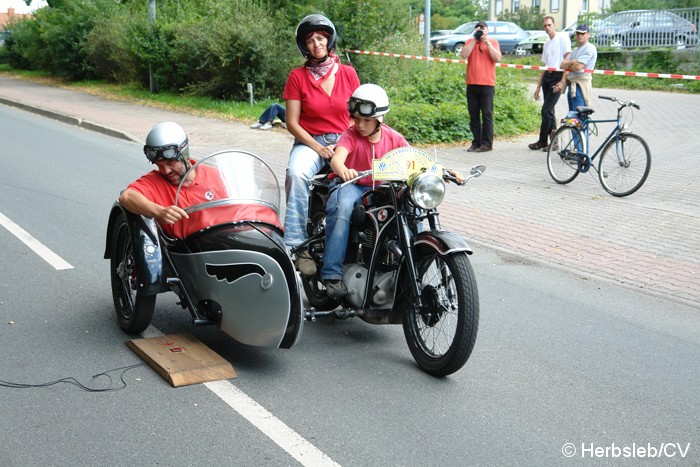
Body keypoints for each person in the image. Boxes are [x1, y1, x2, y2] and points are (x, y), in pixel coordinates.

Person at [320, 84, 465, 297]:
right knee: (342, 207)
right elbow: (337, 158)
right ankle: (331, 273)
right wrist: (343, 169)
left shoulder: (394, 138)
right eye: (356, 118)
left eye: (366, 120)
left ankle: (413, 267)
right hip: (352, 185)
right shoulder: (350, 135)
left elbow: (416, 161)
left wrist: (444, 171)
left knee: (412, 206)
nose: (360, 124)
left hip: (382, 188)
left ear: (380, 119)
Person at [282, 14, 361, 275]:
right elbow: (292, 123)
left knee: (368, 180)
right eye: (310, 39)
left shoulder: (349, 74)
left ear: (329, 40)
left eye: (320, 37)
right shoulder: (297, 77)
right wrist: (318, 148)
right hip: (310, 142)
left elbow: (358, 116)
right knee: (296, 173)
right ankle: (295, 245)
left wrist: (343, 145)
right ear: (305, 46)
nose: (316, 43)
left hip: (345, 140)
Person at [119, 122, 281, 239]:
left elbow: (243, 209)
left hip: (230, 241)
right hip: (191, 253)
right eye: (159, 165)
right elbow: (127, 197)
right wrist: (159, 212)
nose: (165, 171)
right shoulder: (154, 181)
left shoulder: (217, 175)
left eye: (170, 163)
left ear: (185, 155)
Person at [528, 16, 571, 152]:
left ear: (554, 24)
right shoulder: (547, 43)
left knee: (546, 111)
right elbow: (545, 66)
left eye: (549, 25)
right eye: (545, 26)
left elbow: (567, 60)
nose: (547, 28)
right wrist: (538, 87)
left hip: (558, 76)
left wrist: (562, 81)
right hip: (547, 77)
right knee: (549, 111)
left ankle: (543, 141)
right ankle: (554, 142)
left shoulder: (563, 38)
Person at [460, 20, 502, 153]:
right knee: (474, 115)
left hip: (487, 84)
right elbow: (464, 55)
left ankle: (487, 143)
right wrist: (474, 38)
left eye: (483, 29)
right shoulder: (469, 42)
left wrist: (487, 41)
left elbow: (497, 58)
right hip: (472, 83)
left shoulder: (493, 42)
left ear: (487, 30)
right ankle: (476, 142)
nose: (480, 31)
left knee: (487, 114)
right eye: (478, 29)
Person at [559, 24, 597, 119]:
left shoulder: (590, 48)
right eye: (578, 33)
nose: (580, 35)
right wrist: (574, 61)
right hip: (572, 86)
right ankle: (577, 134)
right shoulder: (575, 50)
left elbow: (579, 67)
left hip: (580, 86)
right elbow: (562, 64)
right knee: (573, 118)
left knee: (578, 118)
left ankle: (581, 134)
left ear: (588, 34)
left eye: (582, 33)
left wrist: (570, 65)